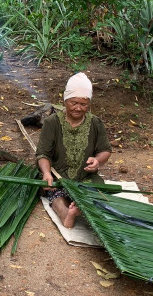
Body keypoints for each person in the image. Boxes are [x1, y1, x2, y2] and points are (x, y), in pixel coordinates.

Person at [35, 72, 112, 228]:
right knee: (55, 194)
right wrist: (47, 173)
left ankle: (81, 206)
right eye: (73, 103)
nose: (78, 108)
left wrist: (97, 161)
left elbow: (105, 150)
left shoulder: (95, 123)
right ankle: (67, 214)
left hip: (85, 178)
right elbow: (43, 154)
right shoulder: (52, 122)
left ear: (89, 104)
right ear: (65, 101)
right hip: (58, 178)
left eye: (83, 104)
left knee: (96, 191)